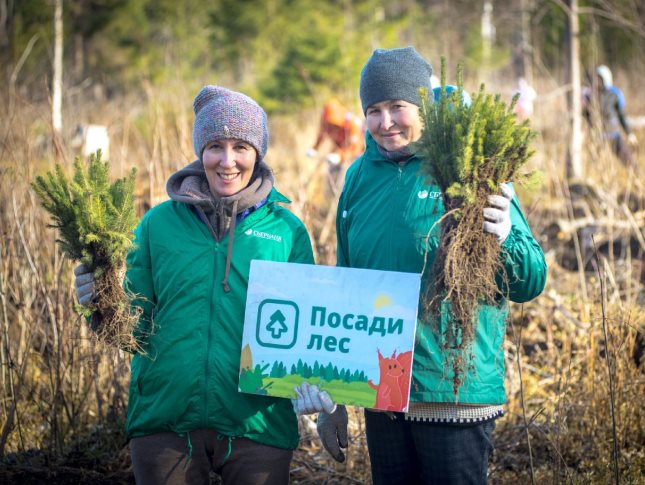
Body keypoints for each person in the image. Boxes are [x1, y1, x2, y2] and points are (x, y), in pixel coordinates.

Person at [312, 46, 547, 484]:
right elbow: (347, 290)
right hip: (382, 394)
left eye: (398, 107)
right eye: (374, 110)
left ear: (422, 104)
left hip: (453, 393)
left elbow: (531, 279)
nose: (386, 122)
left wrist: (506, 236)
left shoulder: (465, 165)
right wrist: (334, 392)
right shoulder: (359, 177)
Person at [74, 85, 330, 485]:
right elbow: (133, 330)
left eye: (241, 147)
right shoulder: (158, 225)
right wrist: (101, 303)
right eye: (215, 146)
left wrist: (326, 395)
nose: (227, 161)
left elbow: (306, 331)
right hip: (166, 420)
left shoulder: (285, 231)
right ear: (200, 151)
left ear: (258, 152)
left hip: (257, 424)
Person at [583, 64, 638, 167]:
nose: (597, 81)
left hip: (614, 135)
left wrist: (629, 133)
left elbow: (622, 116)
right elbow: (586, 116)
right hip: (598, 138)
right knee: (596, 166)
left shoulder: (614, 94)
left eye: (599, 78)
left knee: (629, 162)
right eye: (596, 78)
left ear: (605, 79)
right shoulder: (590, 95)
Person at [306, 97, 365, 191]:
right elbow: (321, 135)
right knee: (331, 173)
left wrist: (340, 156)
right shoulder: (325, 123)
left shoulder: (352, 123)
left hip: (358, 153)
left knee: (348, 177)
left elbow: (356, 148)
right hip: (339, 149)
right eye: (328, 124)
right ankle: (331, 196)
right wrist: (314, 149)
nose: (331, 127)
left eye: (333, 124)